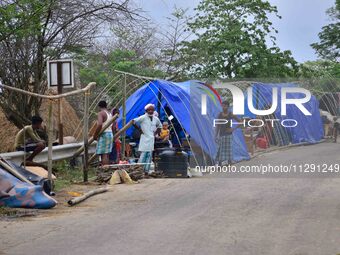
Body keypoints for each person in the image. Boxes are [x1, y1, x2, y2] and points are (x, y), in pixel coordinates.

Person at [132, 104, 162, 173]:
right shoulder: (143, 117)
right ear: (146, 110)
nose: (151, 111)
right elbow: (133, 121)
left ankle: (146, 171)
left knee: (149, 155)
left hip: (151, 139)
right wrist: (139, 130)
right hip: (145, 139)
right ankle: (139, 170)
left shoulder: (155, 119)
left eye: (152, 110)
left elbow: (160, 126)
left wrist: (155, 134)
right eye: (149, 110)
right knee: (143, 155)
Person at [215, 101, 242, 165]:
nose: (223, 107)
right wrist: (215, 135)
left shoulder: (231, 114)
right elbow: (218, 125)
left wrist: (233, 129)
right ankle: (220, 163)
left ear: (228, 106)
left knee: (228, 149)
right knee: (220, 149)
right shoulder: (220, 115)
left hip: (228, 134)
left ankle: (229, 162)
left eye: (225, 106)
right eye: (222, 106)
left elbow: (240, 122)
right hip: (221, 134)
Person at [93, 101, 113, 166]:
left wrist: (95, 134)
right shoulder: (109, 114)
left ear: (99, 106)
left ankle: (104, 168)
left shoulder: (101, 113)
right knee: (106, 154)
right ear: (106, 106)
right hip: (110, 133)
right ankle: (106, 168)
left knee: (103, 154)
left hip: (104, 134)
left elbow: (99, 124)